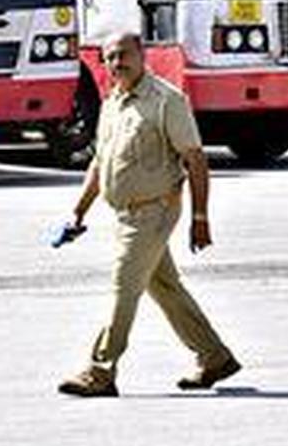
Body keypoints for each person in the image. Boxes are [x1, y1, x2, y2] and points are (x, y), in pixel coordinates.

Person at [58, 32, 238, 397]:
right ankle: (214, 357)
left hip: (155, 211)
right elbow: (100, 163)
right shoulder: (112, 102)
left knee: (123, 286)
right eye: (110, 57)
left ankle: (100, 370)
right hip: (125, 215)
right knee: (166, 288)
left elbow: (195, 159)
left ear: (143, 56)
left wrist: (200, 218)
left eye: (124, 55)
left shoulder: (166, 101)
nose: (117, 63)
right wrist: (77, 212)